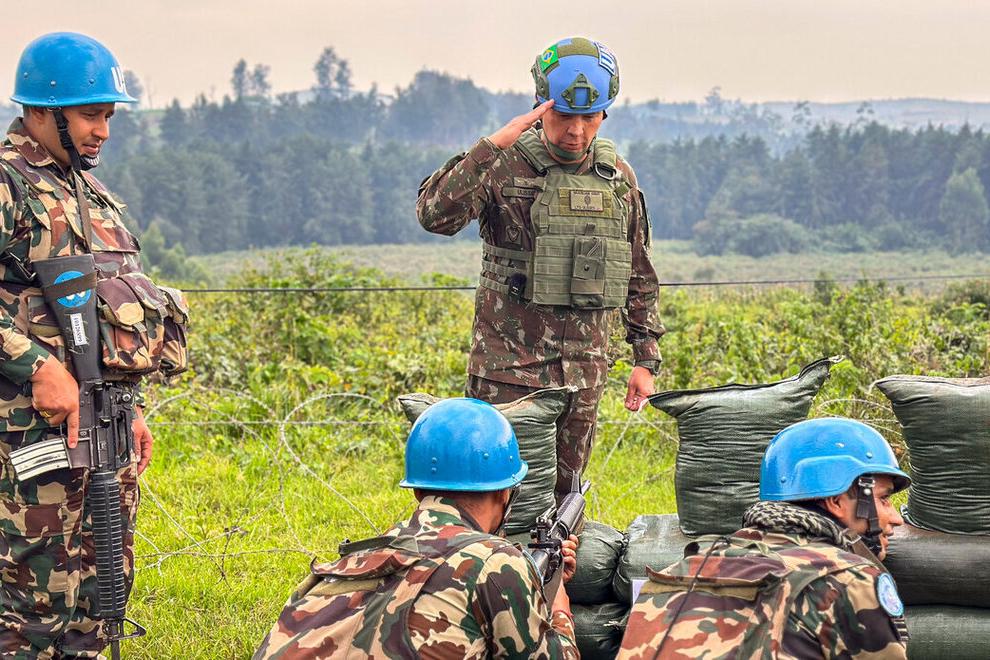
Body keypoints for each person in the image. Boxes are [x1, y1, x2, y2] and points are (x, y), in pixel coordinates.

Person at [0, 32, 188, 657]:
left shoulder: (91, 193)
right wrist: (36, 367)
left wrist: (129, 407)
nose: (102, 131)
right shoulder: (7, 183)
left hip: (103, 431)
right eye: (89, 115)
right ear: (41, 110)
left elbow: (111, 311)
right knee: (32, 605)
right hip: (28, 436)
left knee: (99, 597)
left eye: (108, 116)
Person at [417, 37, 664, 501]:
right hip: (509, 366)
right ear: (540, 106)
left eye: (589, 117)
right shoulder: (502, 164)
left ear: (605, 114)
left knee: (565, 499)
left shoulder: (616, 177)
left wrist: (645, 358)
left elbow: (637, 270)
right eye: (564, 116)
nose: (576, 131)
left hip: (584, 369)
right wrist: (491, 146)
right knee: (495, 492)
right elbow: (435, 216)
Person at [255, 398, 580, 659]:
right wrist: (557, 606)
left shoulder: (360, 557)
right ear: (505, 492)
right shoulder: (496, 562)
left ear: (416, 491)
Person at [618, 418, 911, 659]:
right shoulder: (850, 581)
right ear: (836, 501)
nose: (895, 518)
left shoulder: (674, 577)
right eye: (884, 499)